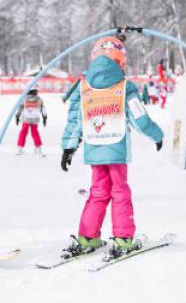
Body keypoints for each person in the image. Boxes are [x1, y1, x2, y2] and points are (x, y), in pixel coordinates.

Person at [60, 35, 163, 260]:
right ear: (120, 61)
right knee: (119, 191)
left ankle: (87, 237)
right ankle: (124, 238)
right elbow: (140, 118)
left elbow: (75, 121)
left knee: (97, 192)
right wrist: (157, 135)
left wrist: (68, 148)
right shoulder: (125, 86)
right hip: (116, 150)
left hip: (94, 148)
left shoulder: (83, 87)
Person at [15, 88, 47, 156]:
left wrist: (17, 116)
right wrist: (45, 117)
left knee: (23, 132)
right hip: (34, 119)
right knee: (35, 133)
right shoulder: (39, 99)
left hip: (26, 119)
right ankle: (38, 148)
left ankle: (20, 148)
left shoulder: (24, 99)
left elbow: (20, 108)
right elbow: (43, 108)